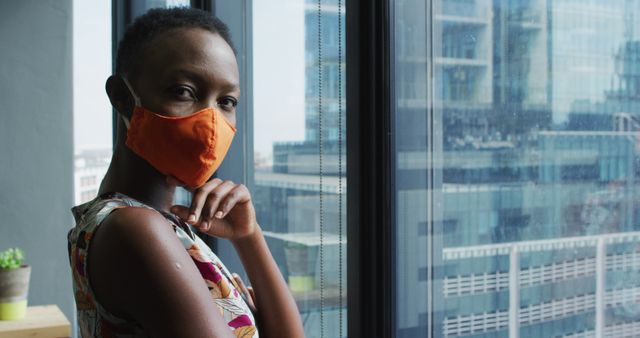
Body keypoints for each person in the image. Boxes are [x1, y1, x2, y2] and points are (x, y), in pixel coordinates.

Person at [67, 7, 304, 338]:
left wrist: (249, 236)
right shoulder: (135, 228)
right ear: (122, 98)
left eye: (227, 101)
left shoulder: (152, 223)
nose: (210, 121)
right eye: (183, 92)